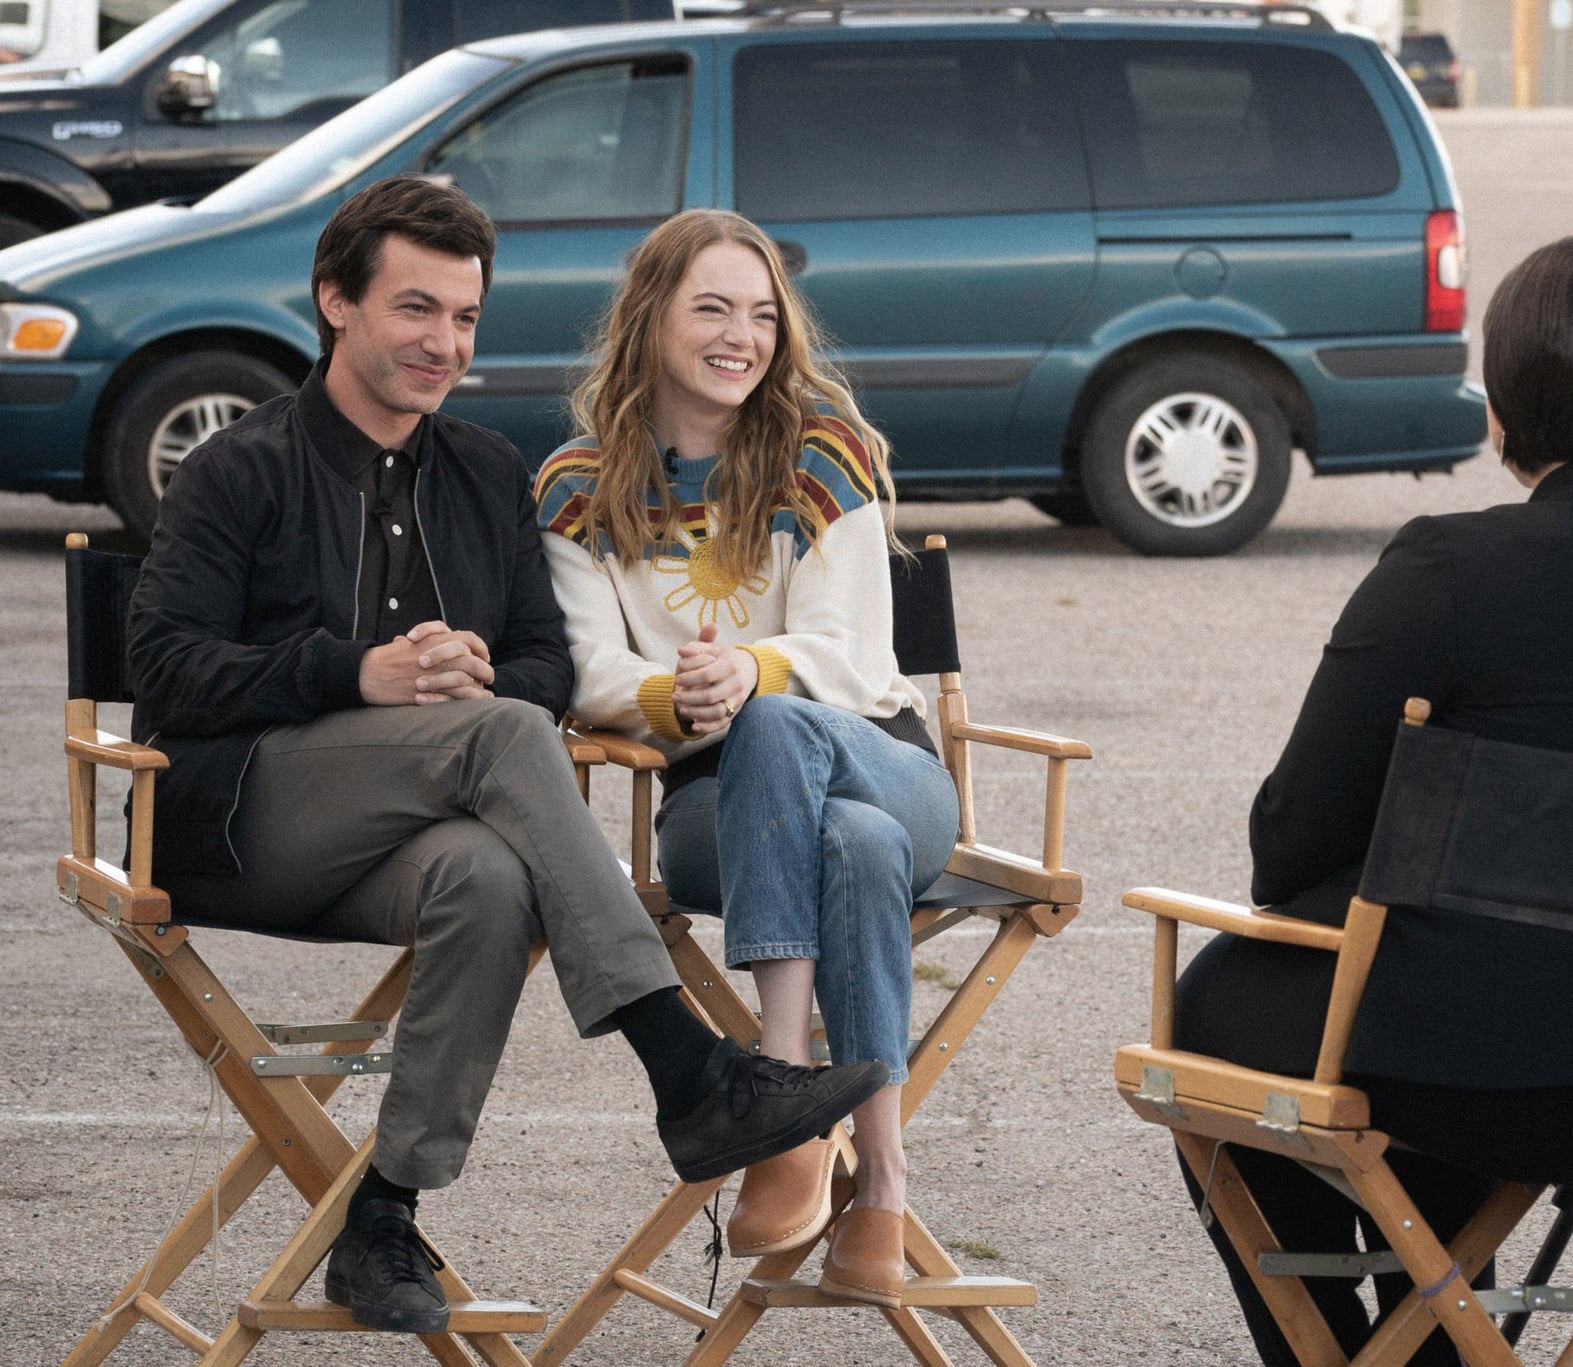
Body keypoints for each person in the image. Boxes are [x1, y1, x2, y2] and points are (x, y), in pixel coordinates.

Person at [126, 177, 884, 1336]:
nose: (443, 343)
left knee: (488, 879)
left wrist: (474, 672)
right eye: (414, 309)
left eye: (464, 318)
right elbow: (164, 667)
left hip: (418, 833)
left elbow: (545, 669)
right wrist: (355, 670)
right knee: (501, 743)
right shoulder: (242, 465)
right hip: (244, 817)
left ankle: (383, 1208)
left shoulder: (485, 474)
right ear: (336, 301)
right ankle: (687, 1065)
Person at [1170, 234, 1573, 1365]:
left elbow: (1284, 843)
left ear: (1506, 402)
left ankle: (1342, 1349)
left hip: (1477, 1073)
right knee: (1456, 973)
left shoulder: (1449, 567)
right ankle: (1430, 1343)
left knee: (1235, 1000)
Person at [534, 209, 957, 1308]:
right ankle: (882, 1186)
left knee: (787, 732)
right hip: (712, 801)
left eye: (761, 313)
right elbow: (582, 670)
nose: (741, 335)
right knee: (847, 846)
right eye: (711, 308)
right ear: (649, 319)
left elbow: (853, 657)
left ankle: (778, 1098)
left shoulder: (822, 452)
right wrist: (683, 688)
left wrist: (745, 678)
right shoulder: (578, 486)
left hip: (878, 758)